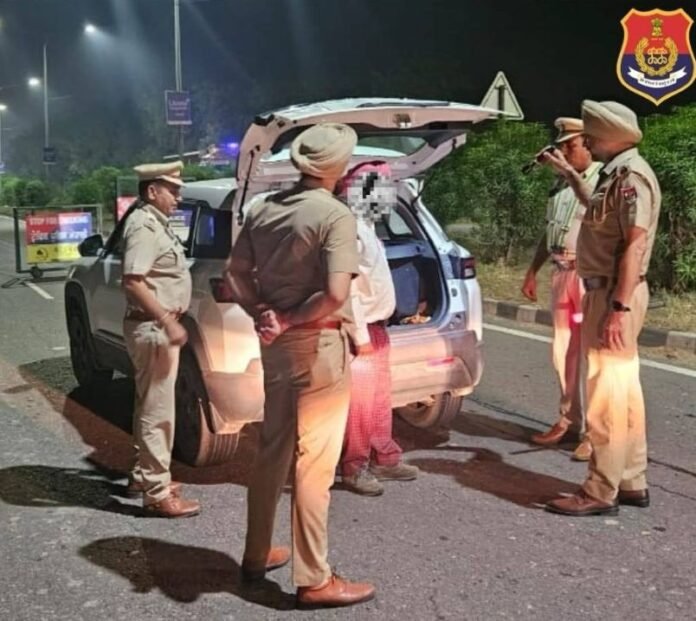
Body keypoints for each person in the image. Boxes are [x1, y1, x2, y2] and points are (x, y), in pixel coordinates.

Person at [225, 123, 376, 608]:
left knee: (272, 451)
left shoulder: (263, 209)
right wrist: (290, 318)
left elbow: (234, 274)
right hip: (318, 349)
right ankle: (314, 579)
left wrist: (263, 314)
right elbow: (335, 293)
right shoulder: (333, 215)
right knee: (315, 465)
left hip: (276, 349)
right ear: (338, 167)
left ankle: (256, 554)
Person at [542, 101, 661, 516]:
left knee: (606, 395)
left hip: (613, 294)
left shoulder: (631, 177)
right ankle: (630, 480)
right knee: (624, 393)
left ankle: (598, 491)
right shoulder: (616, 174)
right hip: (610, 293)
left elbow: (634, 245)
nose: (586, 141)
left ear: (610, 135)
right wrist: (570, 175)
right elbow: (596, 209)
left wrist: (618, 309)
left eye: (590, 135)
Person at [121, 161, 200, 518]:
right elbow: (133, 281)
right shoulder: (144, 226)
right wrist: (167, 321)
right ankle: (157, 492)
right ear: (152, 191)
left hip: (154, 327)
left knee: (148, 405)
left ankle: (144, 476)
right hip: (154, 328)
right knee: (158, 413)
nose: (178, 197)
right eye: (173, 190)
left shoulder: (155, 223)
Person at [336, 161, 419, 495]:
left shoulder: (367, 225)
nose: (388, 195)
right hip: (363, 331)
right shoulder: (349, 229)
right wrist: (359, 336)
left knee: (380, 401)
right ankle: (354, 467)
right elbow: (348, 289)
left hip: (378, 328)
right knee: (360, 406)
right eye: (382, 187)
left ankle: (384, 457)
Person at [522, 118, 602, 461]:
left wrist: (568, 173)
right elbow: (551, 231)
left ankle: (595, 433)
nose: (565, 153)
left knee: (593, 355)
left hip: (587, 275)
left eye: (572, 146)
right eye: (562, 147)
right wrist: (533, 270)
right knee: (563, 351)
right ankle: (569, 419)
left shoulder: (601, 178)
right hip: (561, 272)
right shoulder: (560, 184)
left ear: (589, 145)